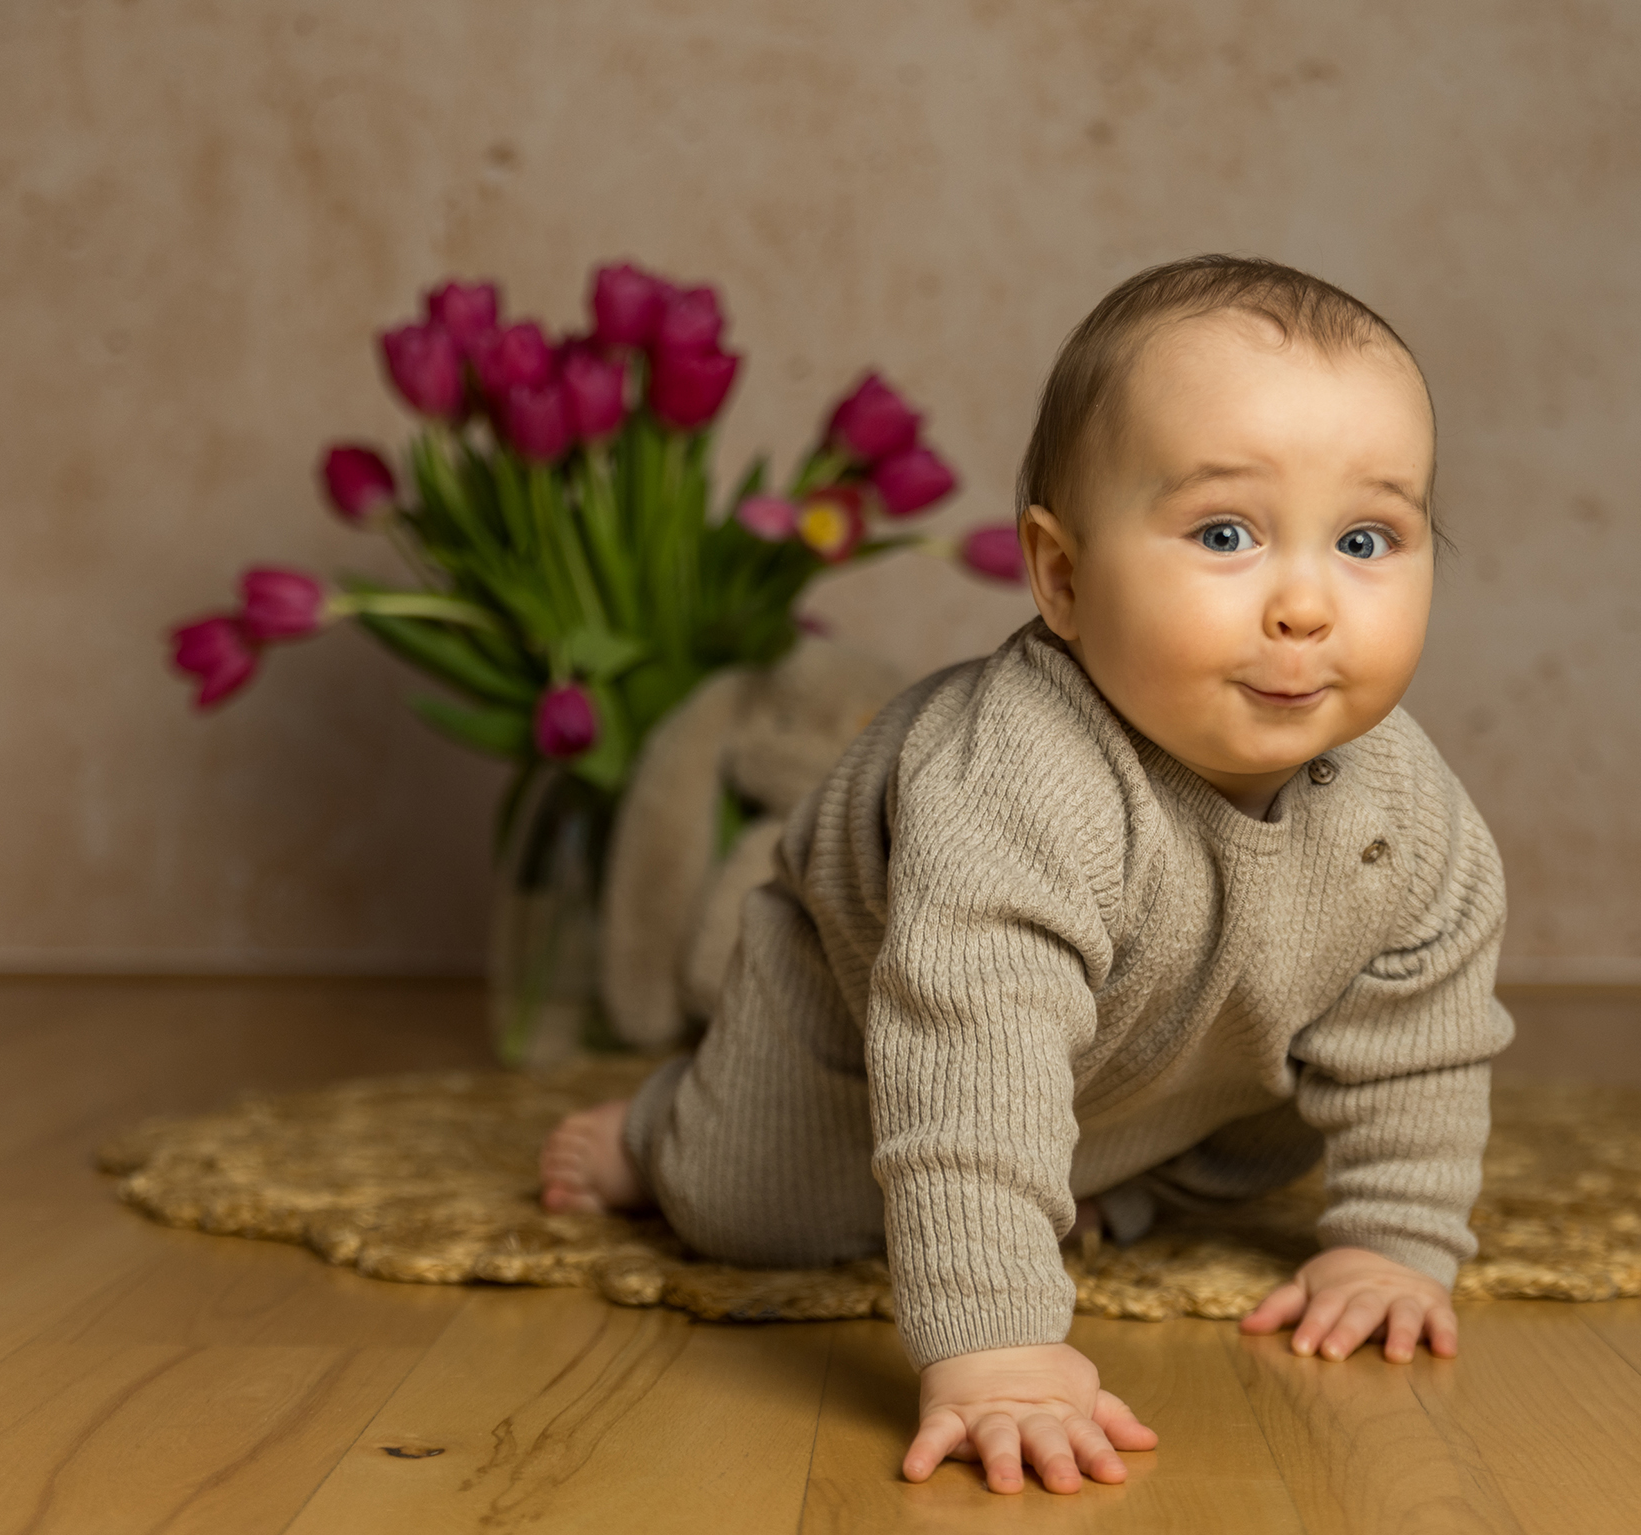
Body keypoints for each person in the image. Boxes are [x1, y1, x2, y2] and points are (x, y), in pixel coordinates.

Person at [540, 254, 1513, 1496]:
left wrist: (1394, 1241)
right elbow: (969, 1064)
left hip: (1162, 1048)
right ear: (1061, 576)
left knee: (1289, 1113)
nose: (1305, 604)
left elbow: (1423, 1028)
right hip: (873, 1024)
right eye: (1225, 533)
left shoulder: (1403, 805)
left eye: (1366, 538)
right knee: (753, 1209)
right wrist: (996, 1348)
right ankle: (654, 1126)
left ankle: (1104, 1174)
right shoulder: (1014, 780)